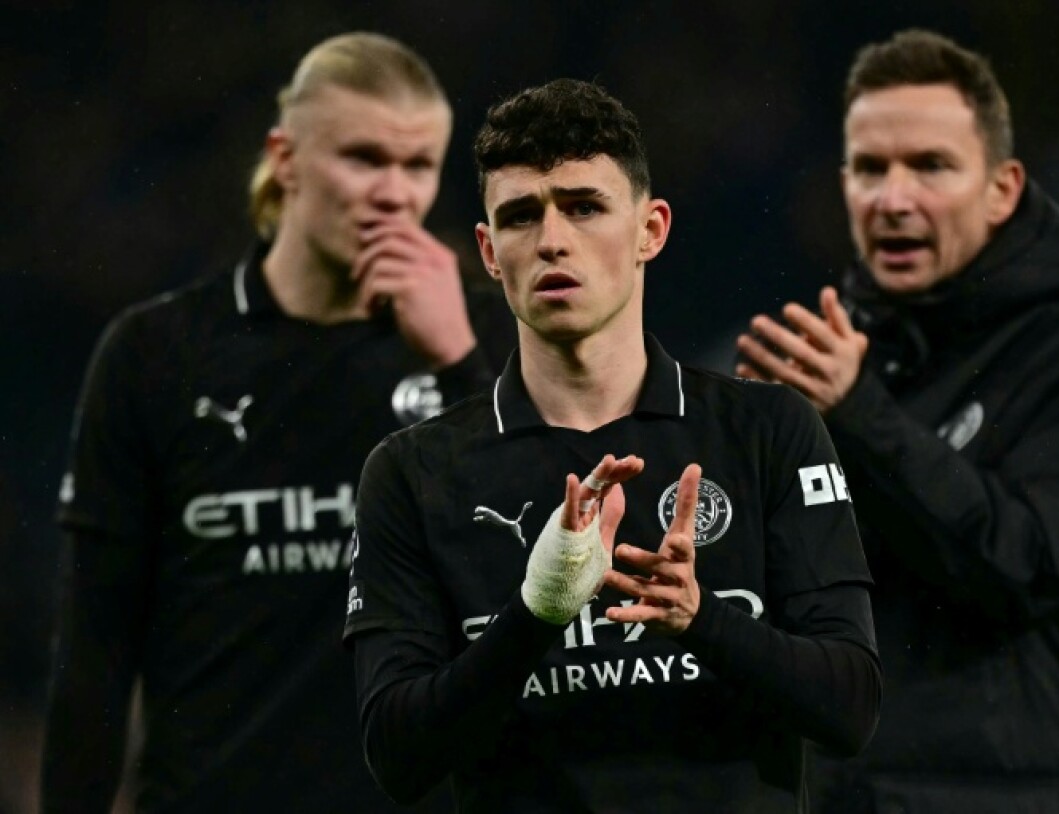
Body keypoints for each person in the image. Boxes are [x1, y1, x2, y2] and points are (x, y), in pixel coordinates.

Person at [342, 78, 882, 812]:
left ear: (650, 230)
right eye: (521, 216)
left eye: (585, 206)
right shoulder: (413, 471)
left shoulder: (768, 430)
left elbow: (849, 707)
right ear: (489, 251)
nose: (552, 239)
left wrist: (702, 619)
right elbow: (397, 757)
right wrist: (538, 612)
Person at [41, 32, 515, 813]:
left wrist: (458, 365)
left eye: (419, 165)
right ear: (285, 157)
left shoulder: (491, 339)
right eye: (364, 158)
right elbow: (94, 647)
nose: (395, 193)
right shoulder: (156, 354)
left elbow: (542, 574)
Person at [736, 29, 1059, 813]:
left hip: (1019, 798)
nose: (894, 198)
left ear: (1002, 188)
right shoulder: (829, 361)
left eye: (930, 166)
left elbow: (1027, 565)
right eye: (871, 169)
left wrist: (858, 414)